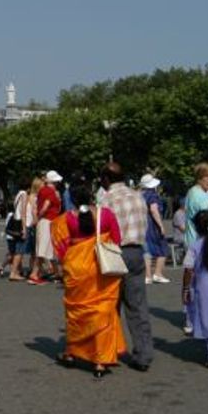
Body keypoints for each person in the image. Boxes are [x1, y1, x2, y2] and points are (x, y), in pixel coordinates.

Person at [52, 184, 125, 378]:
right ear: (92, 196)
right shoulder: (106, 215)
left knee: (77, 314)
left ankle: (72, 352)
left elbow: (61, 249)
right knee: (103, 313)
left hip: (77, 271)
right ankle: (100, 361)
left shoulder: (65, 219)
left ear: (72, 199)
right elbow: (117, 240)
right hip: (102, 270)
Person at [99, 161, 153, 372]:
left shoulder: (106, 199)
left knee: (110, 304)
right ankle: (144, 353)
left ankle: (108, 349)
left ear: (105, 179)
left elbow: (101, 229)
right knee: (137, 305)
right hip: (136, 251)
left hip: (115, 253)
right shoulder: (138, 196)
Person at [182, 210, 208, 367]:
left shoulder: (195, 245)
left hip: (203, 287)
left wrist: (186, 289)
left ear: (195, 226)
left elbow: (188, 269)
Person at [140, 174, 169, 284]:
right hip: (153, 225)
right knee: (163, 248)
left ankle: (147, 276)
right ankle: (158, 273)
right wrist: (161, 225)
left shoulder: (141, 195)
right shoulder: (153, 196)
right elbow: (154, 210)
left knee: (146, 251)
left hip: (143, 225)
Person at [35, 170, 64, 282]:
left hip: (45, 220)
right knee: (45, 248)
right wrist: (40, 215)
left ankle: (56, 272)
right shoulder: (51, 192)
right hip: (49, 220)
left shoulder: (42, 190)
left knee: (47, 248)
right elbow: (46, 206)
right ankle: (35, 273)